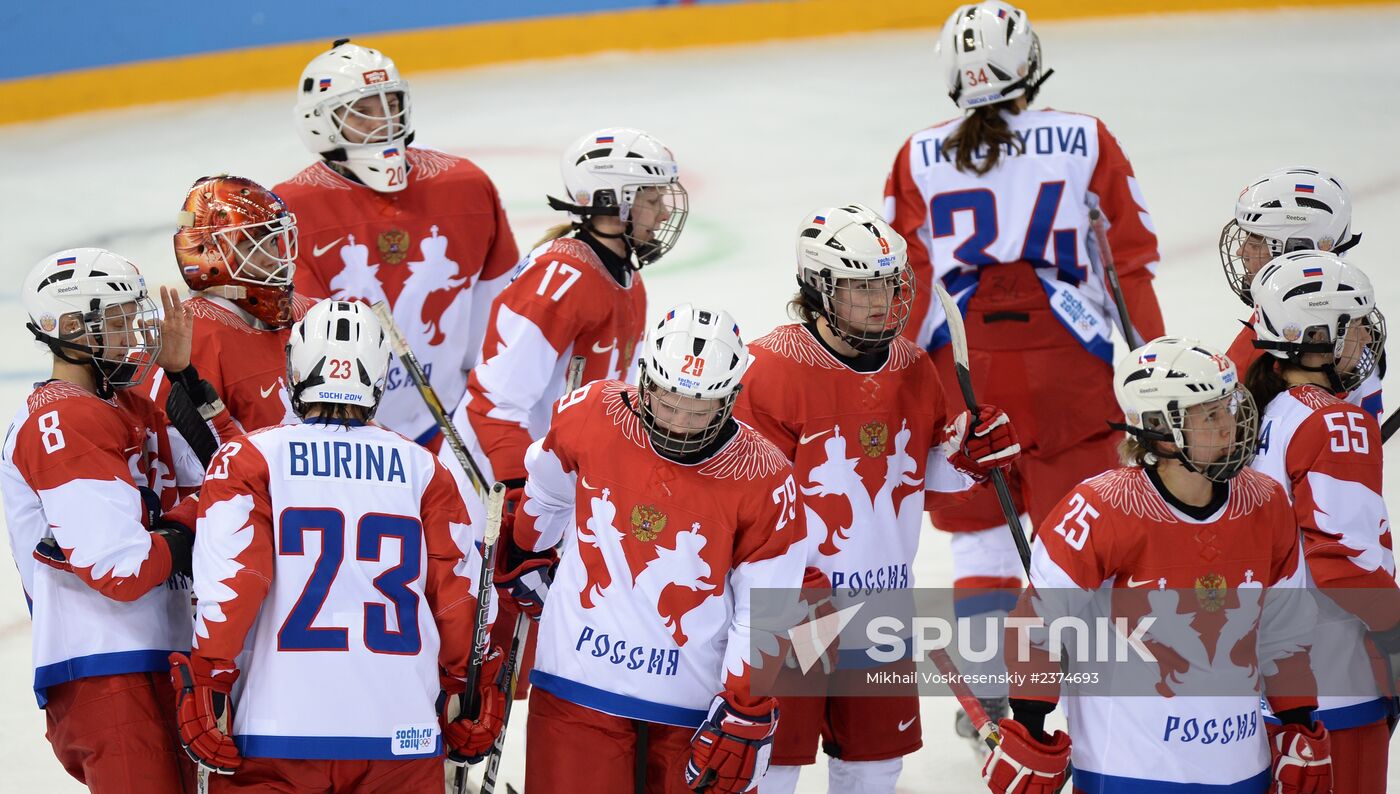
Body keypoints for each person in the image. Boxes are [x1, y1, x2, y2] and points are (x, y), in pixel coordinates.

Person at [882, 0, 1167, 743]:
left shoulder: (917, 153)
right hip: (1069, 361)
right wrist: (1152, 367)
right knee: (1081, 537)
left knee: (979, 537)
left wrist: (896, 382)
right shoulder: (1083, 136)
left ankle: (991, 700)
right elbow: (1127, 260)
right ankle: (1079, 699)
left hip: (965, 365)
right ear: (1028, 63)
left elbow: (904, 280)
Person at [733, 204, 1021, 793]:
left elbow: (923, 487)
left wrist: (969, 458)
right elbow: (742, 500)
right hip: (791, 613)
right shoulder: (769, 369)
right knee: (772, 767)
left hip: (880, 609)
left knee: (874, 765)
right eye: (861, 287)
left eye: (889, 286)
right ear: (817, 289)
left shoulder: (914, 367)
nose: (880, 302)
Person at [167, 300, 504, 793]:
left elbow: (235, 581)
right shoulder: (426, 469)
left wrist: (210, 677)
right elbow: (460, 598)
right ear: (378, 376)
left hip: (279, 730)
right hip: (400, 730)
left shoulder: (249, 458)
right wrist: (469, 684)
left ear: (295, 371)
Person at [983, 337, 1331, 793]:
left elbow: (1285, 629)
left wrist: (1297, 721)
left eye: (1229, 407)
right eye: (1210, 415)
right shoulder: (1100, 508)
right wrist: (1030, 723)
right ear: (1158, 428)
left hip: (1244, 767)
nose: (1230, 426)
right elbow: (1038, 624)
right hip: (1130, 771)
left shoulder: (1265, 502)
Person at [503, 304, 804, 793]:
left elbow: (768, 607)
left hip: (690, 703)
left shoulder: (765, 476)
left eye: (700, 407)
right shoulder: (591, 413)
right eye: (668, 401)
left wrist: (745, 707)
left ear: (729, 398)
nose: (680, 422)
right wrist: (526, 552)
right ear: (645, 381)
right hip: (578, 682)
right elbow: (547, 489)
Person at [448, 126, 686, 696]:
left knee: (523, 668)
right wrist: (520, 515)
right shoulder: (563, 278)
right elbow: (493, 402)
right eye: (650, 198)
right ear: (614, 203)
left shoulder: (623, 275)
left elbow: (609, 405)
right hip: (491, 499)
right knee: (470, 670)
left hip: (545, 495)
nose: (661, 211)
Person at [1, 248, 199, 792]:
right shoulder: (60, 418)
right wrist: (200, 516)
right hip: (106, 666)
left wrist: (183, 379)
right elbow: (123, 570)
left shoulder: (132, 403)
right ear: (68, 327)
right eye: (115, 320)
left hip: (160, 654)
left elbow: (226, 463)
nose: (133, 333)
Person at [274, 38, 519, 447]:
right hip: (340, 431)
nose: (385, 121)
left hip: (452, 418)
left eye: (390, 104)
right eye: (363, 112)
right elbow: (293, 341)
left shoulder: (466, 186)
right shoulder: (293, 208)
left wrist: (489, 407)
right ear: (320, 122)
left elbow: (499, 311)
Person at [1245, 250, 1395, 793]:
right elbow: (1345, 564)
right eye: (1354, 326)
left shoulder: (1262, 409)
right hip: (1338, 684)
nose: (1364, 341)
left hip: (1271, 684)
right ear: (1317, 336)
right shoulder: (1335, 421)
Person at [1219, 167, 1380, 416]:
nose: (1242, 252)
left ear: (1296, 247)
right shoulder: (1346, 320)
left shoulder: (1292, 335)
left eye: (1254, 241)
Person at [172, 174, 312, 437]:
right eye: (253, 246)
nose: (275, 258)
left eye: (273, 241)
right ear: (212, 253)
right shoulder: (194, 335)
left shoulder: (307, 313)